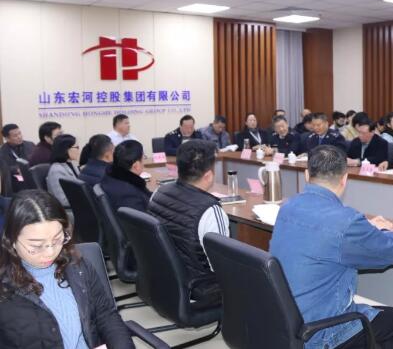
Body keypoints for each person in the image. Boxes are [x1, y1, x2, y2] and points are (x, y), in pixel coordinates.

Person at [270, 145, 393, 349]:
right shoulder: (347, 221)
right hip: (318, 334)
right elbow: (392, 250)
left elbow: (328, 235)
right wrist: (388, 231)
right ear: (345, 179)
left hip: (282, 322)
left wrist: (365, 228)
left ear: (307, 175)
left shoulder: (287, 207)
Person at [0, 190, 134, 348]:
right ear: (11, 241)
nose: (50, 252)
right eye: (36, 246)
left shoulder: (77, 266)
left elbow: (106, 315)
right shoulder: (4, 287)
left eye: (57, 239)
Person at [148, 140, 229, 307]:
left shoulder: (158, 192)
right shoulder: (211, 210)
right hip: (201, 290)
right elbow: (222, 267)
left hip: (164, 279)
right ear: (208, 175)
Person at [100, 140, 151, 213]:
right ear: (136, 166)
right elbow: (143, 218)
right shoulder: (129, 194)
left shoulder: (111, 176)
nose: (144, 163)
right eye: (144, 158)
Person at [46, 134, 81, 208]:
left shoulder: (71, 164)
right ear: (66, 149)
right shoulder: (57, 170)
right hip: (68, 210)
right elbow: (63, 200)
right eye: (77, 147)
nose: (79, 151)